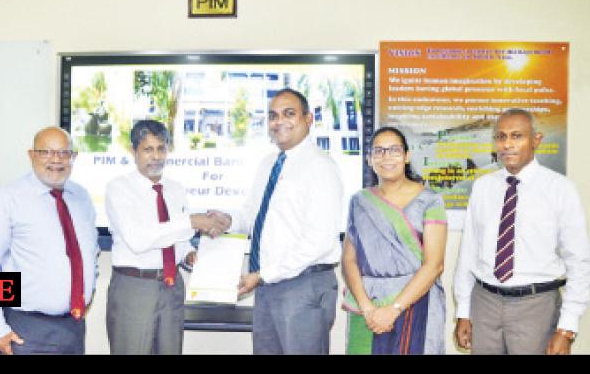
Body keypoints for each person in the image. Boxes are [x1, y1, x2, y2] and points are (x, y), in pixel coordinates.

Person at [212, 88, 344, 354]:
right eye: (273, 116)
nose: (279, 121)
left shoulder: (320, 166)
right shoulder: (268, 163)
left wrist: (263, 275)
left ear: (308, 119)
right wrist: (226, 221)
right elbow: (252, 214)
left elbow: (317, 241)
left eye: (289, 113)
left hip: (303, 285)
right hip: (268, 285)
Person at [454, 108, 590, 355]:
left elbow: (579, 262)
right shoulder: (483, 187)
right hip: (485, 304)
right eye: (501, 136)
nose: (507, 144)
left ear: (536, 139)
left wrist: (566, 328)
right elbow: (468, 253)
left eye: (516, 136)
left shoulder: (560, 189)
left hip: (536, 306)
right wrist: (463, 311)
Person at [104, 119, 229, 355]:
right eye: (148, 149)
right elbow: (139, 240)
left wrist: (188, 254)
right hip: (135, 287)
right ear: (133, 151)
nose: (156, 156)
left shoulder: (175, 189)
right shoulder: (119, 188)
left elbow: (177, 239)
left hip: (172, 287)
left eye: (161, 148)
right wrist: (191, 221)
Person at [0, 127, 99, 355]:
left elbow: (91, 254)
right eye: (46, 152)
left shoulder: (81, 197)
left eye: (64, 152)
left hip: (73, 328)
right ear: (31, 155)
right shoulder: (9, 198)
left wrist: (87, 292)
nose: (56, 160)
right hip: (25, 328)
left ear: (74, 156)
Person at [341, 126, 448, 354]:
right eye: (378, 151)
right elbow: (349, 260)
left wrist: (394, 309)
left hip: (415, 302)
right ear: (369, 159)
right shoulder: (359, 201)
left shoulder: (430, 200)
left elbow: (435, 265)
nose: (386, 157)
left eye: (394, 150)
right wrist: (367, 308)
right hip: (367, 306)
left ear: (407, 156)